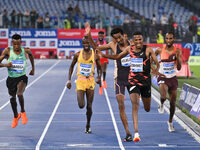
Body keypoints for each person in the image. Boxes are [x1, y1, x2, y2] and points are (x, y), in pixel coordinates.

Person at [97, 31, 159, 142]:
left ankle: (135, 130)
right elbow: (117, 56)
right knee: (135, 104)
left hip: (145, 82)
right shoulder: (129, 49)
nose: (138, 42)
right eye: (136, 40)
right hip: (133, 81)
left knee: (147, 108)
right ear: (133, 41)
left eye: (140, 40)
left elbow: (156, 62)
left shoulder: (148, 49)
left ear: (142, 40)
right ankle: (135, 133)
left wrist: (156, 69)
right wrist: (103, 55)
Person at [86, 24, 133, 142]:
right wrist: (89, 37)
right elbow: (96, 47)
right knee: (121, 104)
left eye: (119, 37)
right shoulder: (113, 45)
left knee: (141, 105)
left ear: (123, 35)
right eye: (115, 38)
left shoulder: (132, 44)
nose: (118, 40)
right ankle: (128, 133)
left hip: (133, 78)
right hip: (119, 78)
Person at [66, 36, 102, 133]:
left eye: (87, 43)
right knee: (81, 105)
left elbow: (99, 67)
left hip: (90, 81)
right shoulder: (77, 55)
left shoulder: (95, 55)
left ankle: (88, 124)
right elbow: (71, 66)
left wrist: (99, 77)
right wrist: (69, 80)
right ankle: (87, 121)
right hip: (80, 81)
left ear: (90, 43)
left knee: (89, 106)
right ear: (82, 44)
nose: (86, 45)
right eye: (84, 43)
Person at [0, 34, 35, 128]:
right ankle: (16, 116)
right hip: (11, 79)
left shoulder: (25, 50)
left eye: (18, 44)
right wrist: (6, 65)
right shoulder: (7, 50)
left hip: (22, 77)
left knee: (19, 94)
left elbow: (31, 55)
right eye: (14, 44)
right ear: (12, 43)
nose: (16, 46)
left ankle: (23, 111)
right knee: (12, 98)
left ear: (21, 43)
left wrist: (33, 69)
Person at [155, 31, 182, 132]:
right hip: (163, 77)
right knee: (163, 96)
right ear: (165, 39)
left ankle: (170, 122)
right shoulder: (160, 49)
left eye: (171, 38)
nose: (169, 40)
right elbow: (152, 57)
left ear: (174, 39)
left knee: (173, 103)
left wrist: (178, 58)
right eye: (167, 38)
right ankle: (161, 103)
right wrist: (155, 67)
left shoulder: (178, 51)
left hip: (173, 78)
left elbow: (179, 68)